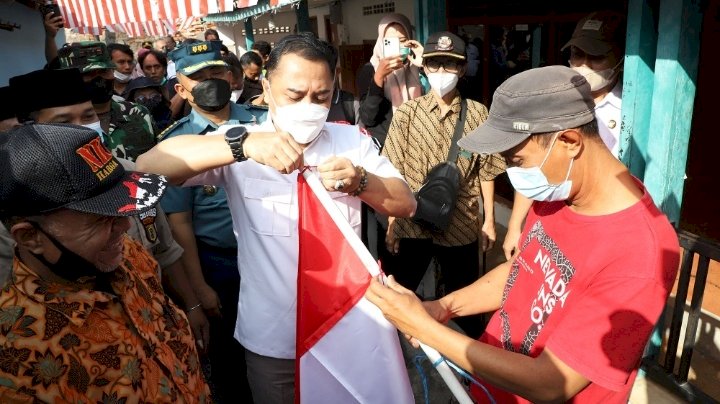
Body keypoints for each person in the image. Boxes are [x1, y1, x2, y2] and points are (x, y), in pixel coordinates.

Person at [366, 65, 680, 404]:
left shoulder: (639, 254)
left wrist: (426, 329)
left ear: (570, 141)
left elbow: (551, 383)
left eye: (516, 160)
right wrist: (442, 308)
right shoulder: (562, 190)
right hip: (492, 388)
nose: (511, 174)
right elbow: (523, 272)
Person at [136, 32, 417, 404]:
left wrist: (361, 181)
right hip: (272, 337)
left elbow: (405, 203)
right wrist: (242, 146)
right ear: (266, 88)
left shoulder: (352, 141)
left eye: (321, 96)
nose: (309, 107)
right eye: (295, 95)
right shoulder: (239, 140)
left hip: (345, 325)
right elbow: (148, 167)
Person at [0, 123, 211, 403]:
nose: (125, 226)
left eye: (120, 211)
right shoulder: (18, 361)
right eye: (100, 219)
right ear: (30, 237)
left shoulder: (125, 254)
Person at [7, 67, 210, 352]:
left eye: (88, 116)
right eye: (63, 121)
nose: (81, 128)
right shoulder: (21, 207)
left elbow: (164, 249)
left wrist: (192, 304)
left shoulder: (126, 173)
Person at [156, 39, 267, 403]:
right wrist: (200, 289)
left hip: (271, 258)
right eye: (198, 75)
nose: (210, 80)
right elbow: (180, 224)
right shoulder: (177, 144)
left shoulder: (263, 124)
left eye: (216, 71)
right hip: (220, 267)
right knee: (232, 363)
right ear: (181, 89)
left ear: (231, 75)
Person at [379, 32, 505, 339]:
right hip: (413, 222)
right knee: (397, 299)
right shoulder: (408, 113)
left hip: (460, 225)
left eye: (450, 65)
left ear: (462, 70)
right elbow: (392, 169)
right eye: (434, 65)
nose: (441, 72)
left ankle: (469, 368)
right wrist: (393, 222)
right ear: (424, 67)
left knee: (465, 304)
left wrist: (489, 220)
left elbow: (486, 171)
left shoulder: (478, 114)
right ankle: (393, 359)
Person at [503, 10, 626, 260]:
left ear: (620, 59)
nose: (583, 65)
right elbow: (531, 165)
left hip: (601, 231)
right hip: (550, 221)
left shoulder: (631, 112)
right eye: (577, 54)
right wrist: (516, 226)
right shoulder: (553, 101)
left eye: (596, 57)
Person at [56, 41, 157, 162]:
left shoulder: (139, 113)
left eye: (104, 71)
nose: (99, 79)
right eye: (89, 74)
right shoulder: (61, 126)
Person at [356, 13, 425, 147]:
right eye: (390, 42)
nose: (398, 46)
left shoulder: (419, 68)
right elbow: (368, 118)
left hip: (417, 144)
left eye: (403, 40)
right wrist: (379, 77)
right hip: (385, 147)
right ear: (381, 42)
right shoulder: (369, 70)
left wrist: (425, 65)